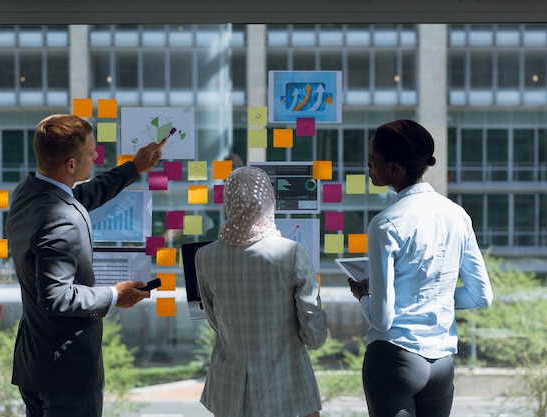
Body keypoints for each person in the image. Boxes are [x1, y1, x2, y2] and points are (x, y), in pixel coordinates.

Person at [6, 113, 167, 417]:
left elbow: (79, 197)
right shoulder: (61, 219)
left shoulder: (28, 194)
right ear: (71, 165)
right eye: (91, 153)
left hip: (35, 363)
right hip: (67, 373)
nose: (95, 157)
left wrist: (134, 167)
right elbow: (56, 296)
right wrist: (115, 295)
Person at [348, 119, 493, 417]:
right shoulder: (458, 215)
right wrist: (430, 297)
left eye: (372, 161)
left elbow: (383, 319)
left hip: (394, 358)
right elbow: (482, 297)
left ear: (394, 168)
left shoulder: (385, 223)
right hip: (441, 363)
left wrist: (362, 295)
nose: (368, 167)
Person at [195, 166, 328, 417]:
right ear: (268, 200)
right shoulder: (291, 252)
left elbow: (215, 321)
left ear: (229, 201)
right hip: (287, 388)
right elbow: (314, 335)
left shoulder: (205, 256)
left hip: (229, 391)